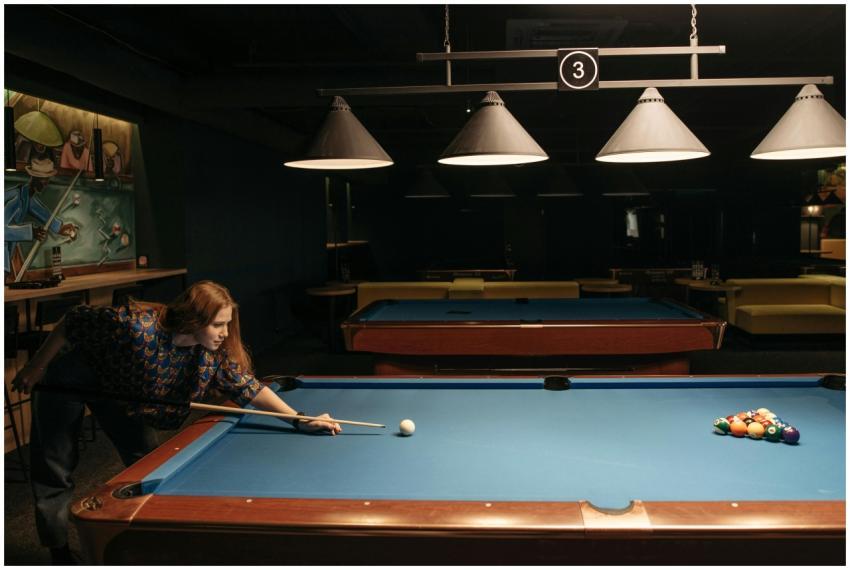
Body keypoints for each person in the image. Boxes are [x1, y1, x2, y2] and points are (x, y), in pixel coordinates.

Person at [12, 280, 341, 564]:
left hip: (121, 393)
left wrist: (300, 420)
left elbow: (249, 389)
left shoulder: (211, 354)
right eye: (217, 325)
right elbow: (73, 320)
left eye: (228, 324)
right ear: (193, 320)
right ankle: (58, 553)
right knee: (55, 466)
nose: (225, 333)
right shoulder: (137, 328)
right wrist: (34, 369)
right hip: (71, 379)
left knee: (148, 462)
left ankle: (154, 538)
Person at [4, 157, 77, 278]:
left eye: (47, 179)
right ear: (34, 178)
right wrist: (30, 232)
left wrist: (61, 227)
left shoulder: (27, 196)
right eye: (43, 179)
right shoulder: (15, 198)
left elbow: (44, 214)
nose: (46, 183)